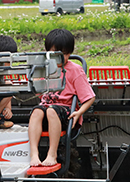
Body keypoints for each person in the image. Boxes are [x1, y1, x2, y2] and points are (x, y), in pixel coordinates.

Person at [28, 29, 95, 167]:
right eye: (55, 54)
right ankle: (34, 154)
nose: (59, 59)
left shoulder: (75, 70)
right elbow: (38, 94)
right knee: (37, 111)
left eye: (64, 54)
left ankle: (52, 154)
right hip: (46, 110)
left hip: (65, 113)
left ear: (69, 53)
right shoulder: (45, 68)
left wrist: (79, 112)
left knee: (51, 110)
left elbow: (89, 97)